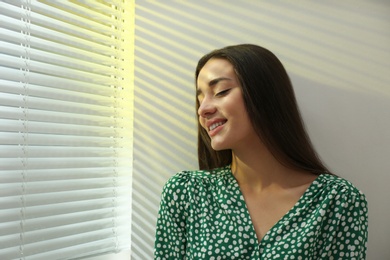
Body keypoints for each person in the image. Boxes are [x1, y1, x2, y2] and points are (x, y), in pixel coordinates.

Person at [154, 44, 368, 259]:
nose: (203, 109)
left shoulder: (337, 201)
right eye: (200, 99)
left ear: (264, 95)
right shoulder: (187, 193)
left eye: (221, 91)